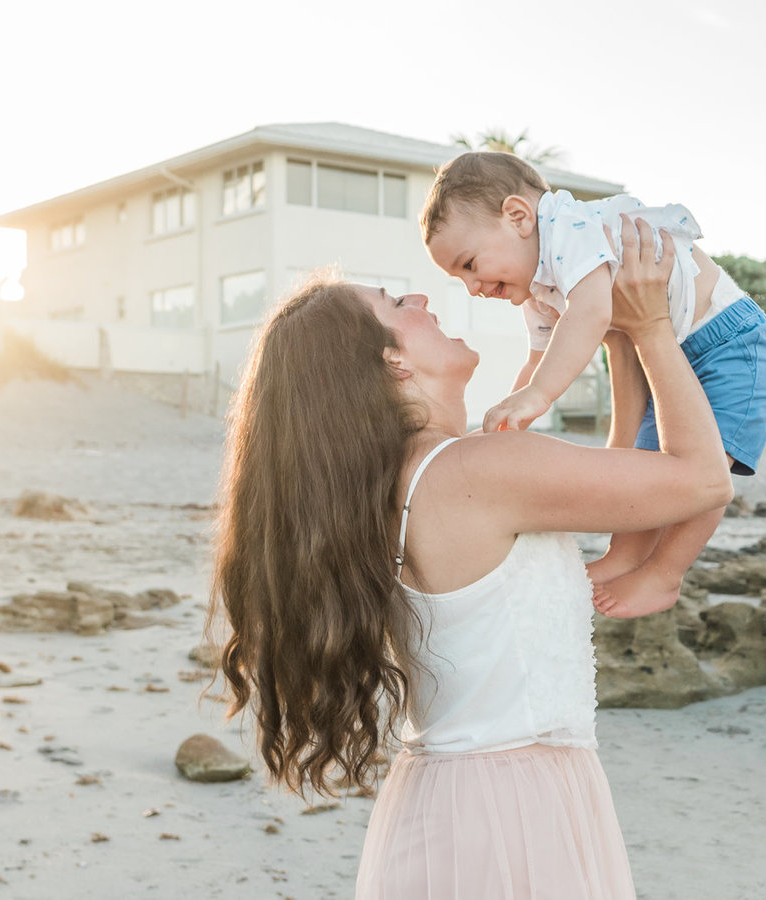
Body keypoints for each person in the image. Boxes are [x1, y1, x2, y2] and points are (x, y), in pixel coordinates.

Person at [208, 218, 733, 899]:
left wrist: (619, 337)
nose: (423, 301)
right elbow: (703, 481)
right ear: (392, 362)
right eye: (399, 305)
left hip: (450, 803)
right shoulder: (475, 473)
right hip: (516, 815)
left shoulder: (400, 483)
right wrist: (655, 328)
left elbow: (622, 470)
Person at [422, 151, 766, 618]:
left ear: (518, 217)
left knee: (710, 461)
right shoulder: (541, 287)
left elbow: (592, 313)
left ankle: (665, 574)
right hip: (671, 355)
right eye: (459, 277)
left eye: (470, 264)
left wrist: (539, 396)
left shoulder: (571, 231)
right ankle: (626, 557)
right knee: (651, 466)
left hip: (731, 341)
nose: (472, 286)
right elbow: (539, 359)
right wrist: (507, 423)